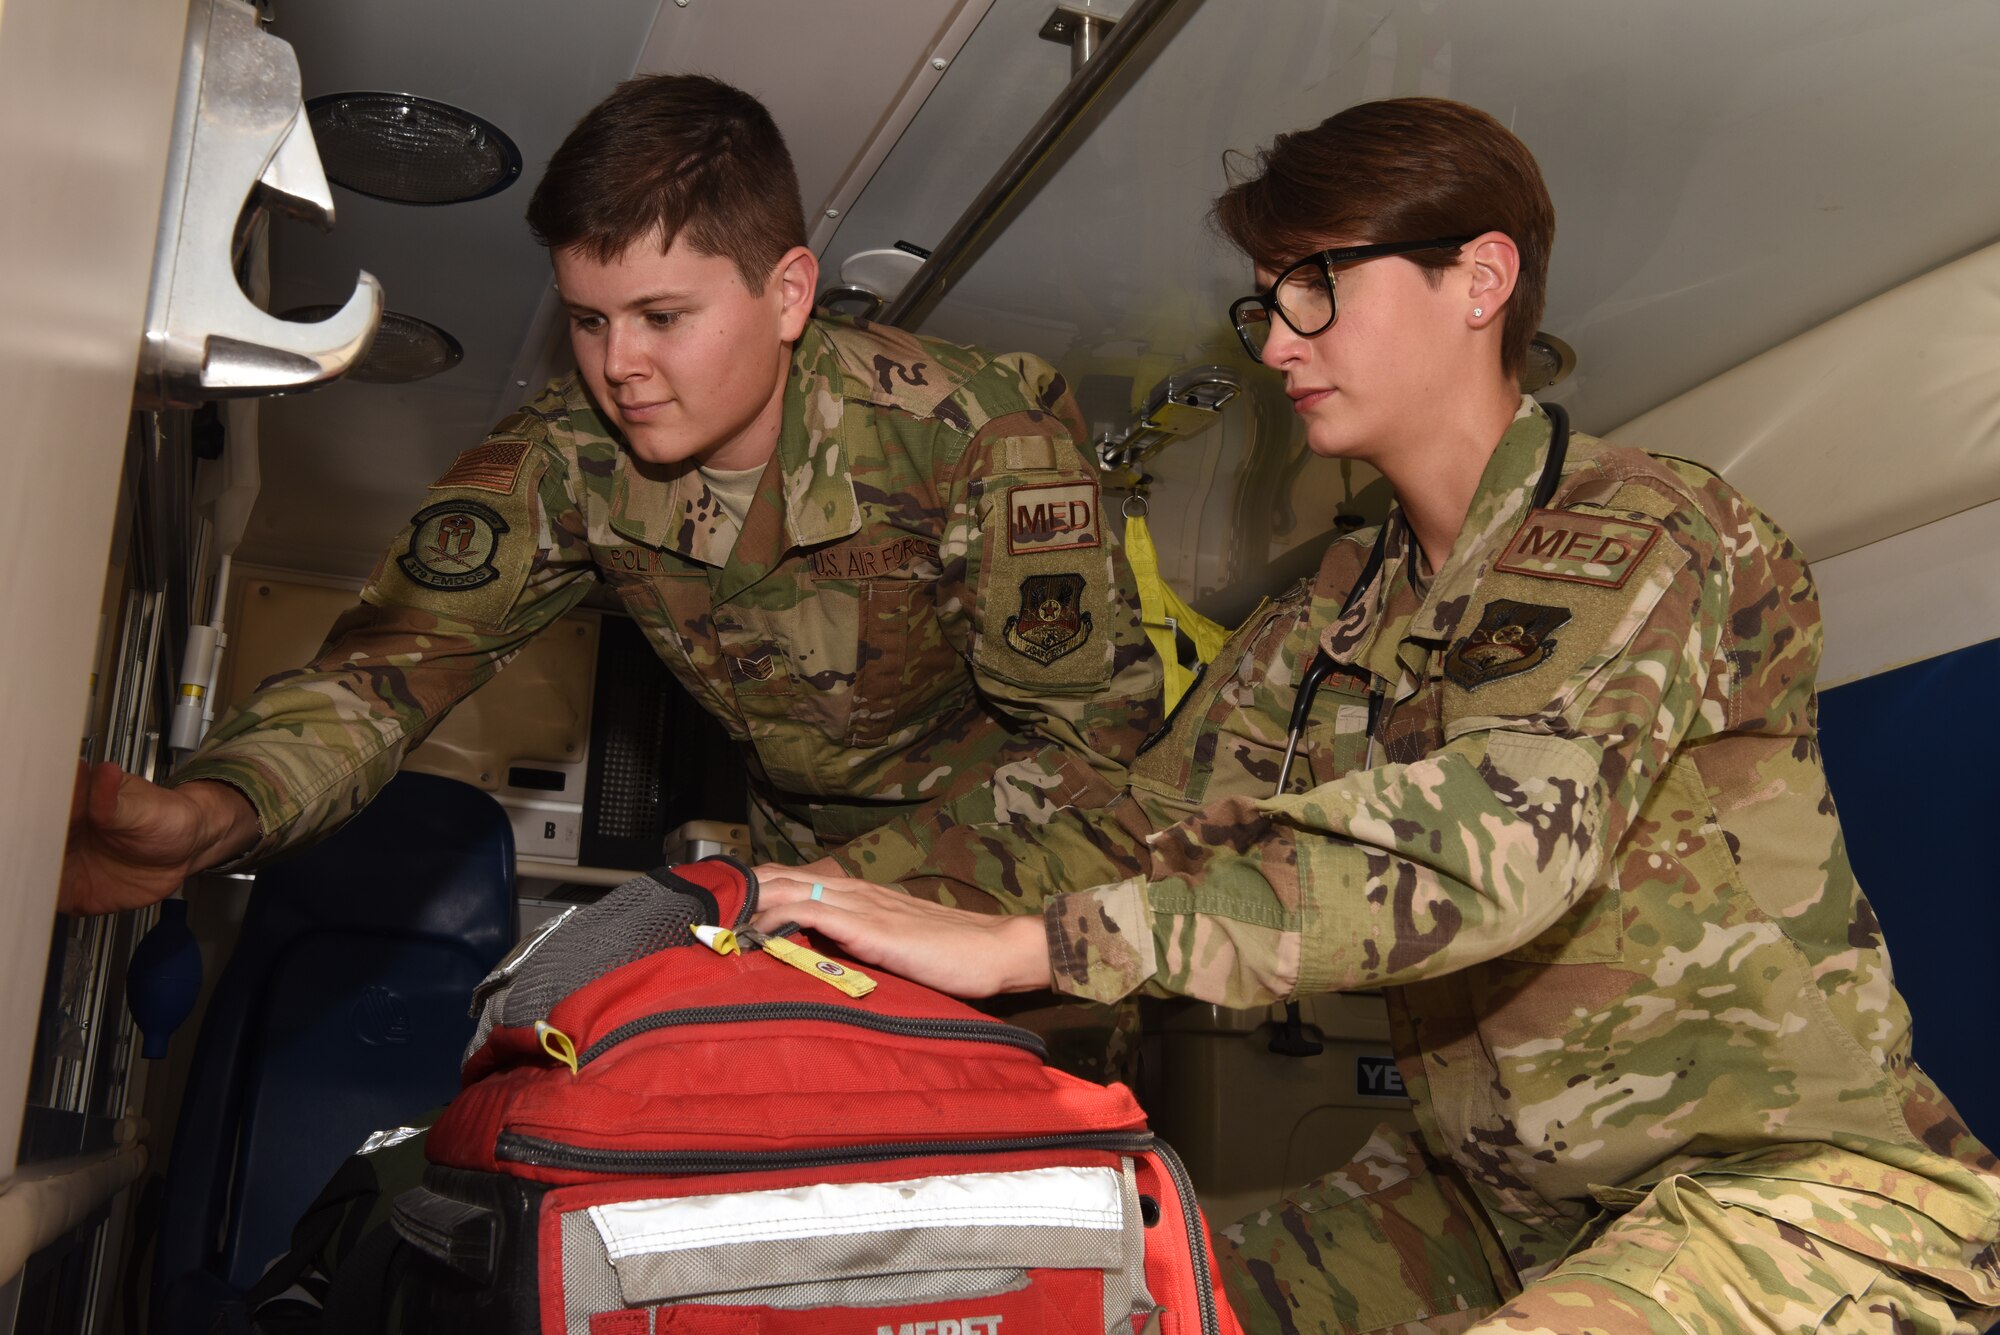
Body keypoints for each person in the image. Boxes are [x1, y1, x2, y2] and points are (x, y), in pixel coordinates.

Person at [753, 98, 2000, 1334]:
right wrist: (797, 904)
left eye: (1315, 288)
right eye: (1264, 306)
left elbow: (1498, 837)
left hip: (1781, 1199)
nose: (1277, 343)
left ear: (1479, 278)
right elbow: (1127, 823)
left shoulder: (1643, 531)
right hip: (1498, 1203)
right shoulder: (1331, 611)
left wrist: (1043, 948)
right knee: (1141, 1305)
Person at [60, 74, 1161, 922]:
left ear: (786, 294)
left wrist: (833, 899)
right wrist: (214, 813)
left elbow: (1091, 762)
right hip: (794, 878)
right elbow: (389, 667)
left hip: (1009, 873)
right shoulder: (568, 457)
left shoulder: (976, 440)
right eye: (588, 320)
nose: (616, 365)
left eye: (660, 316)